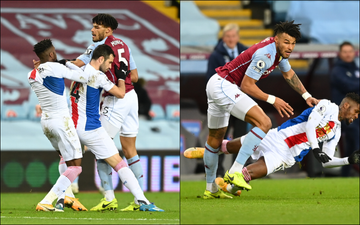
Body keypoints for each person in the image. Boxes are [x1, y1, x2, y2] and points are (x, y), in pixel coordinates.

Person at [34, 14, 144, 211]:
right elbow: (134, 77)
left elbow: (75, 66)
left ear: (107, 30)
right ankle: (139, 199)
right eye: (92, 26)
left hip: (114, 100)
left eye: (96, 27)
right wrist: (119, 75)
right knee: (129, 150)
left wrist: (49, 65)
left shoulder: (96, 51)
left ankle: (99, 197)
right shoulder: (125, 46)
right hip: (131, 97)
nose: (92, 30)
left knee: (93, 152)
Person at [200, 20, 319, 199]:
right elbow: (247, 86)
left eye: (293, 43)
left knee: (215, 139)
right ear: (277, 40)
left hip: (217, 83)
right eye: (286, 42)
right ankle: (235, 171)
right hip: (225, 85)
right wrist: (274, 100)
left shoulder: (278, 52)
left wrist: (306, 96)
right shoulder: (266, 54)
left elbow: (289, 74)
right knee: (264, 122)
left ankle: (211, 189)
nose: (290, 47)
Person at [185, 93, 360, 195]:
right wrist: (315, 148)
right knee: (231, 147)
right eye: (356, 111)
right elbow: (312, 123)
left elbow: (326, 160)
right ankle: (210, 150)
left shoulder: (335, 132)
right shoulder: (327, 106)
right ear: (345, 105)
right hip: (275, 136)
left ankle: (225, 187)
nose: (356, 115)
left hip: (285, 155)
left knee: (246, 176)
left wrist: (348, 160)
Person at [69, 44, 164, 212]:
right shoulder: (98, 76)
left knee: (70, 160)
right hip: (91, 129)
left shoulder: (76, 72)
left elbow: (66, 64)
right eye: (109, 62)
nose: (110, 66)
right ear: (100, 59)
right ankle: (141, 201)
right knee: (119, 163)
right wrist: (121, 77)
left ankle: (60, 197)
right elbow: (121, 93)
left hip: (74, 126)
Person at [29, 39, 88, 212]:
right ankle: (47, 201)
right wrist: (69, 63)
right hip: (61, 121)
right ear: (52, 54)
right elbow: (84, 77)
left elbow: (41, 72)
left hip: (46, 122)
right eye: (54, 51)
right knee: (76, 166)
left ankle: (66, 197)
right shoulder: (56, 68)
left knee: (65, 157)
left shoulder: (32, 74)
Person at [205, 23, 248, 177]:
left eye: (233, 36)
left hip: (242, 102)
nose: (231, 39)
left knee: (241, 137)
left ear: (238, 37)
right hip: (223, 103)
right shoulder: (216, 55)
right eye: (228, 36)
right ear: (223, 38)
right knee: (219, 136)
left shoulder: (246, 52)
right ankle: (217, 172)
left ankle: (237, 171)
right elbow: (210, 78)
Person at [330, 41, 360, 177]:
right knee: (355, 134)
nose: (348, 54)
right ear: (340, 54)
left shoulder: (356, 69)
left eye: (350, 51)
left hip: (357, 114)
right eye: (345, 51)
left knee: (351, 143)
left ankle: (345, 173)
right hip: (343, 115)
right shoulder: (337, 71)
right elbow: (348, 86)